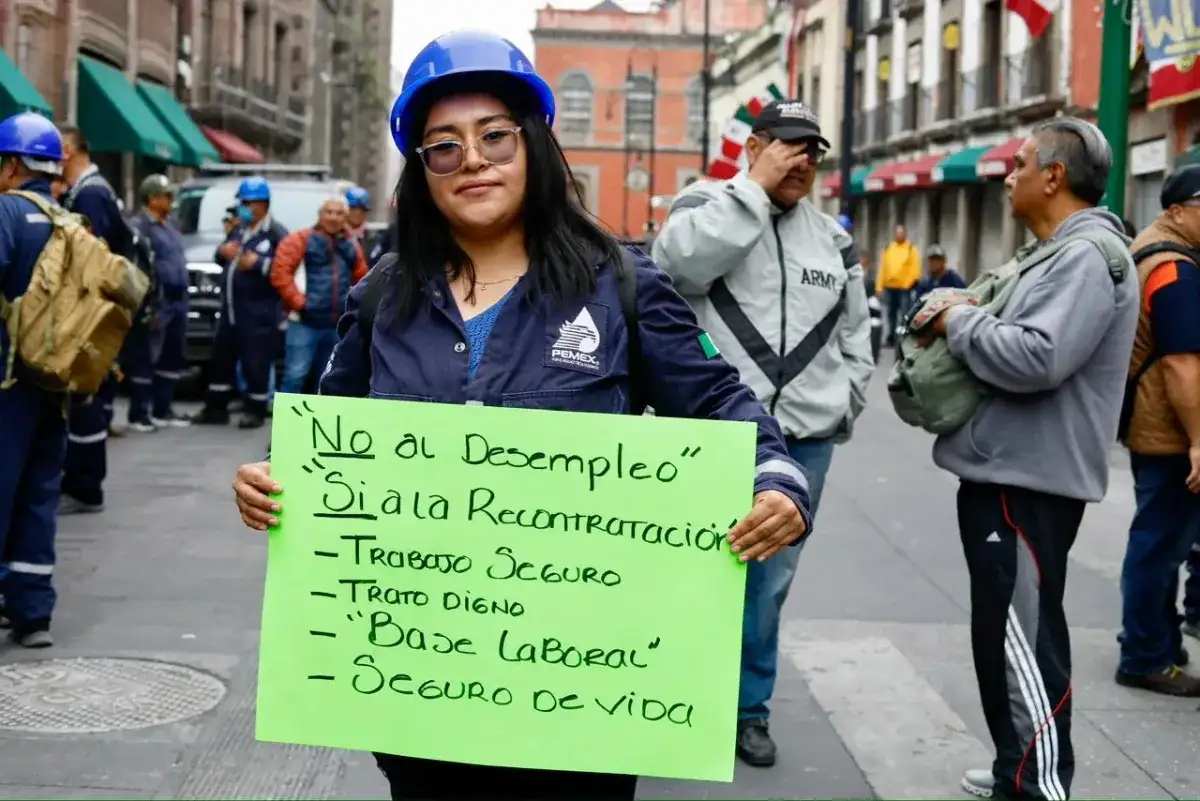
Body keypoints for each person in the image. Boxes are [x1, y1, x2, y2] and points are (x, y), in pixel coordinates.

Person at [232, 30, 813, 801]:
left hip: (578, 701)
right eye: (443, 147)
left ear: (533, 144)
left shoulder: (619, 282)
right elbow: (324, 424)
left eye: (494, 136)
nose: (471, 159)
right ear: (423, 172)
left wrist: (777, 479)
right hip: (417, 687)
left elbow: (717, 399)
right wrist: (270, 477)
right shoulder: (386, 293)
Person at [650, 98, 873, 768]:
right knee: (693, 572)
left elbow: (855, 329)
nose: (804, 159)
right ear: (756, 145)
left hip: (804, 435)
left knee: (768, 581)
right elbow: (678, 267)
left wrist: (846, 398)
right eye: (791, 145)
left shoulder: (831, 238)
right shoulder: (703, 205)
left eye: (814, 150)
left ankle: (748, 710)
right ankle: (674, 699)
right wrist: (749, 192)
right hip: (713, 433)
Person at [919, 118, 1137, 801]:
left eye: (1019, 163)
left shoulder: (1084, 256)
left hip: (1027, 480)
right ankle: (1020, 759)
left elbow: (1038, 356)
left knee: (1022, 640)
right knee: (1007, 633)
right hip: (1010, 471)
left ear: (1054, 176)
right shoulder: (1055, 252)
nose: (1007, 174)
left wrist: (958, 319)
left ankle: (1038, 782)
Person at [1117, 163, 1200, 696]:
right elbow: (1182, 364)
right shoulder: (1173, 267)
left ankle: (1160, 641)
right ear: (1177, 210)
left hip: (1151, 423)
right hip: (1168, 428)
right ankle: (1146, 654)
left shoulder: (1152, 247)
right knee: (1159, 542)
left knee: (1162, 540)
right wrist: (1199, 440)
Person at [0, 113, 68, 647]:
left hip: (8, 382)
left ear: (13, 164)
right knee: (40, 491)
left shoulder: (5, 212)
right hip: (57, 382)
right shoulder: (71, 222)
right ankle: (32, 611)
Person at [57, 125, 131, 514]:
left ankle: (85, 487)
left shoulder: (91, 195)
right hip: (88, 315)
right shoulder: (87, 191)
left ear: (67, 151)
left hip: (90, 319)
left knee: (87, 402)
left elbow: (92, 262)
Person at [193, 176, 287, 429]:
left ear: (263, 204)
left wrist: (258, 263)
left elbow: (284, 268)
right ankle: (216, 408)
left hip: (258, 313)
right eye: (242, 202)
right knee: (221, 359)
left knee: (255, 362)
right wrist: (222, 252)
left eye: (248, 202)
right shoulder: (239, 230)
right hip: (230, 310)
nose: (244, 207)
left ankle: (255, 411)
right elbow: (221, 255)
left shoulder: (276, 234)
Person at [271, 195, 367, 394]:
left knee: (328, 379)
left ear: (345, 217)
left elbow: (362, 279)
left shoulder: (350, 244)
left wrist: (351, 311)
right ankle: (287, 423)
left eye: (339, 213)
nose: (333, 217)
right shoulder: (299, 239)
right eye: (329, 212)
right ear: (320, 215)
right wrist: (300, 305)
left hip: (336, 324)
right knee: (295, 375)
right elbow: (280, 273)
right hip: (303, 322)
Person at [129, 174, 191, 429]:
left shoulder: (170, 224)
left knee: (172, 356)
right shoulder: (139, 226)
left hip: (178, 301)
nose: (171, 201)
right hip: (157, 301)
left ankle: (163, 408)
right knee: (145, 355)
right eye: (166, 196)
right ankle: (139, 413)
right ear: (152, 198)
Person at [876, 223, 921, 344]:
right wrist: (879, 286)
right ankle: (891, 336)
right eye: (897, 232)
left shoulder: (911, 248)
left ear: (905, 234)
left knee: (904, 313)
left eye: (901, 232)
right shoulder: (889, 248)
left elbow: (915, 269)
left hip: (904, 288)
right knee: (890, 314)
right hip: (889, 287)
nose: (899, 235)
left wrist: (908, 284)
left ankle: (901, 336)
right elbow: (883, 268)